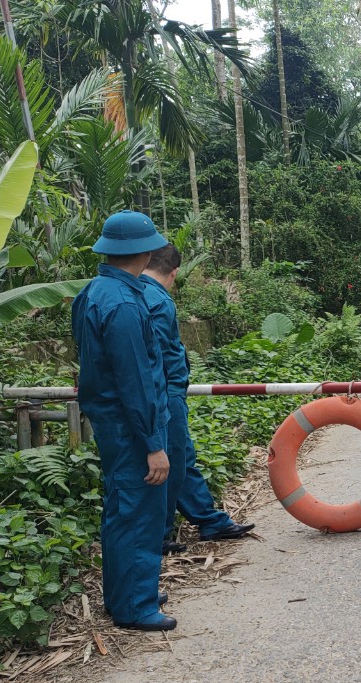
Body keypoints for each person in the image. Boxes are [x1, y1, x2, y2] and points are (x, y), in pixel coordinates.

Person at [72, 210, 175, 632]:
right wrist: (153, 443)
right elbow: (135, 378)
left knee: (120, 509)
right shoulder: (125, 305)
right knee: (139, 510)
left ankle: (126, 592)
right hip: (133, 426)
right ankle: (135, 605)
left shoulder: (93, 291)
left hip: (111, 422)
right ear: (145, 250)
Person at [141, 245, 255, 553]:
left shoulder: (138, 293)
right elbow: (158, 358)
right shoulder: (155, 299)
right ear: (174, 273)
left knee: (181, 456)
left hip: (163, 392)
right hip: (165, 394)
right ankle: (161, 534)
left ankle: (209, 520)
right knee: (171, 461)